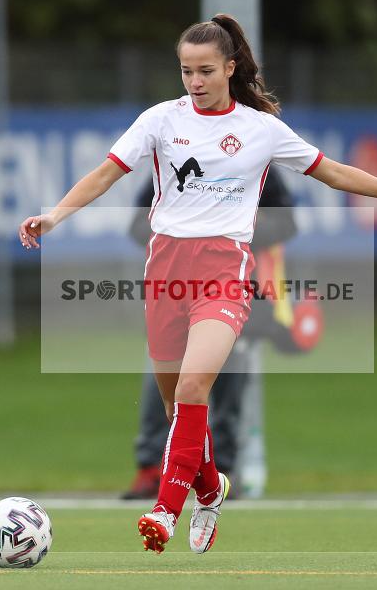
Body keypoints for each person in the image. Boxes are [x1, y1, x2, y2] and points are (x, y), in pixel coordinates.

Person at [19, 13, 377, 555]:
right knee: (178, 412)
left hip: (226, 270)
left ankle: (166, 512)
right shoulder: (158, 121)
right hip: (165, 271)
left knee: (196, 389)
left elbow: (332, 170)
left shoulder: (260, 129)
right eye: (185, 72)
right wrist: (53, 217)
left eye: (204, 71)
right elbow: (106, 173)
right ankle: (210, 487)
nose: (194, 82)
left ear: (229, 68)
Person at [122, 167, 299, 500]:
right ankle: (151, 467)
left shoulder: (255, 157)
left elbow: (287, 222)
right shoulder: (176, 157)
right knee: (162, 382)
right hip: (175, 289)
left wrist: (228, 225)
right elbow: (136, 225)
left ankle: (220, 472)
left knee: (230, 383)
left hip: (231, 285)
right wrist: (182, 229)